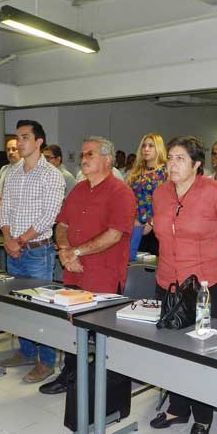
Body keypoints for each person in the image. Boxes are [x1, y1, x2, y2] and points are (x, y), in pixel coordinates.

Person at [148, 136, 217, 434]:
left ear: (197, 164)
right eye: (170, 159)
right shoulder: (161, 193)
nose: (172, 165)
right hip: (168, 283)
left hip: (206, 285)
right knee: (172, 349)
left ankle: (203, 415)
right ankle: (177, 408)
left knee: (202, 352)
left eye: (180, 159)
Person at [39, 136, 136, 395]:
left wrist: (76, 251)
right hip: (74, 271)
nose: (83, 159)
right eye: (82, 154)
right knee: (72, 326)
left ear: (107, 159)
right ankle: (70, 375)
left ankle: (100, 384)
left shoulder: (121, 192)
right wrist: (65, 251)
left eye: (90, 154)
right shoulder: (79, 189)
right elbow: (62, 225)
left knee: (99, 332)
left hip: (103, 274)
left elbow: (114, 235)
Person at [0, 120, 65, 383]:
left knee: (40, 307)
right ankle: (26, 352)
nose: (19, 142)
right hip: (13, 248)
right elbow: (5, 210)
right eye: (17, 137)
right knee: (19, 304)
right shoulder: (13, 172)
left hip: (37, 251)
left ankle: (46, 362)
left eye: (25, 137)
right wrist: (7, 239)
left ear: (39, 141)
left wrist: (20, 241)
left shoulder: (52, 174)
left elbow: (49, 216)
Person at [127, 133, 168, 256]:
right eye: (144, 146)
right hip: (135, 226)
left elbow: (167, 203)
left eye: (151, 146)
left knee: (153, 263)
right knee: (133, 261)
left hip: (156, 228)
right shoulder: (136, 172)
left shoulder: (166, 172)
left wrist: (151, 223)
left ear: (159, 148)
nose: (146, 149)